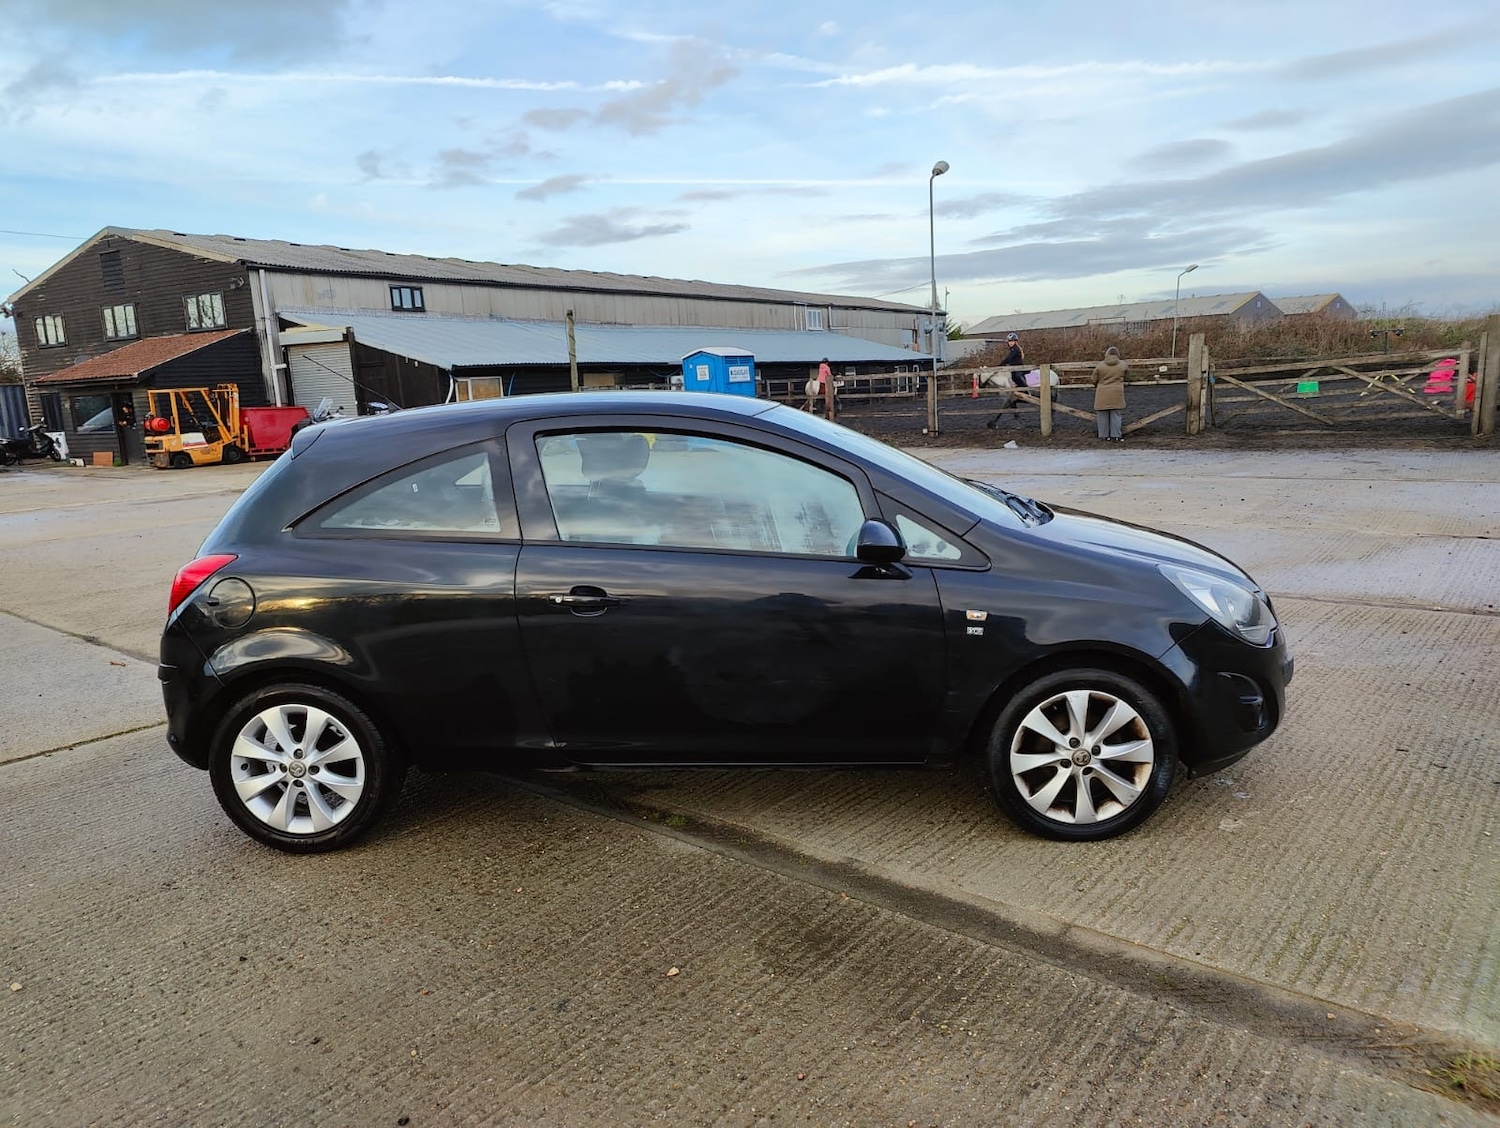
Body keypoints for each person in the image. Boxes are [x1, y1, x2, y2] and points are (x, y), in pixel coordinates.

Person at [1093, 345, 1128, 441]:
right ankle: (1116, 435)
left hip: (1102, 393)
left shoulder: (1100, 365)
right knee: (1116, 415)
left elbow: (1094, 379)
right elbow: (1128, 376)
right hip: (1117, 392)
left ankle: (1103, 436)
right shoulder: (1123, 365)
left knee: (1102, 415)